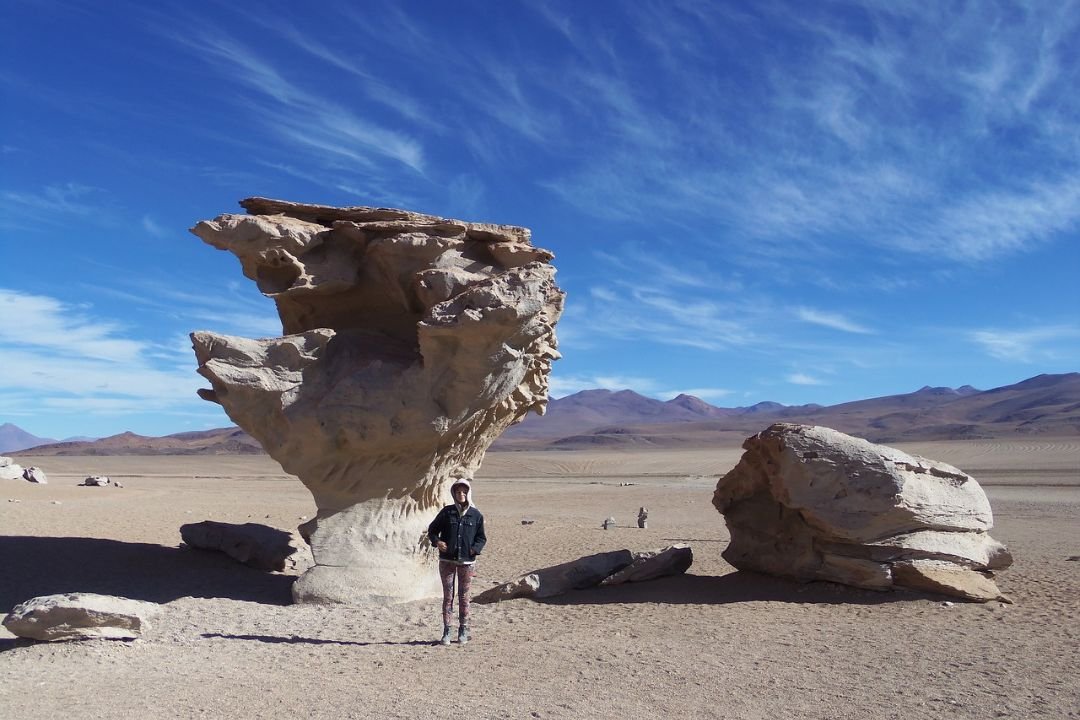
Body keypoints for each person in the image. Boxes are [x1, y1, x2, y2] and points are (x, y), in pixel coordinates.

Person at [427, 478, 486, 646]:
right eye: (458, 492)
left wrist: (474, 549)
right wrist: (437, 542)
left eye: (464, 492)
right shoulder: (446, 513)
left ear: (468, 493)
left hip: (467, 563)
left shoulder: (476, 515)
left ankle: (463, 630)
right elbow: (432, 531)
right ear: (454, 493)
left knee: (464, 596)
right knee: (448, 596)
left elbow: (481, 537)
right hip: (447, 561)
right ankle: (446, 631)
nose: (461, 494)